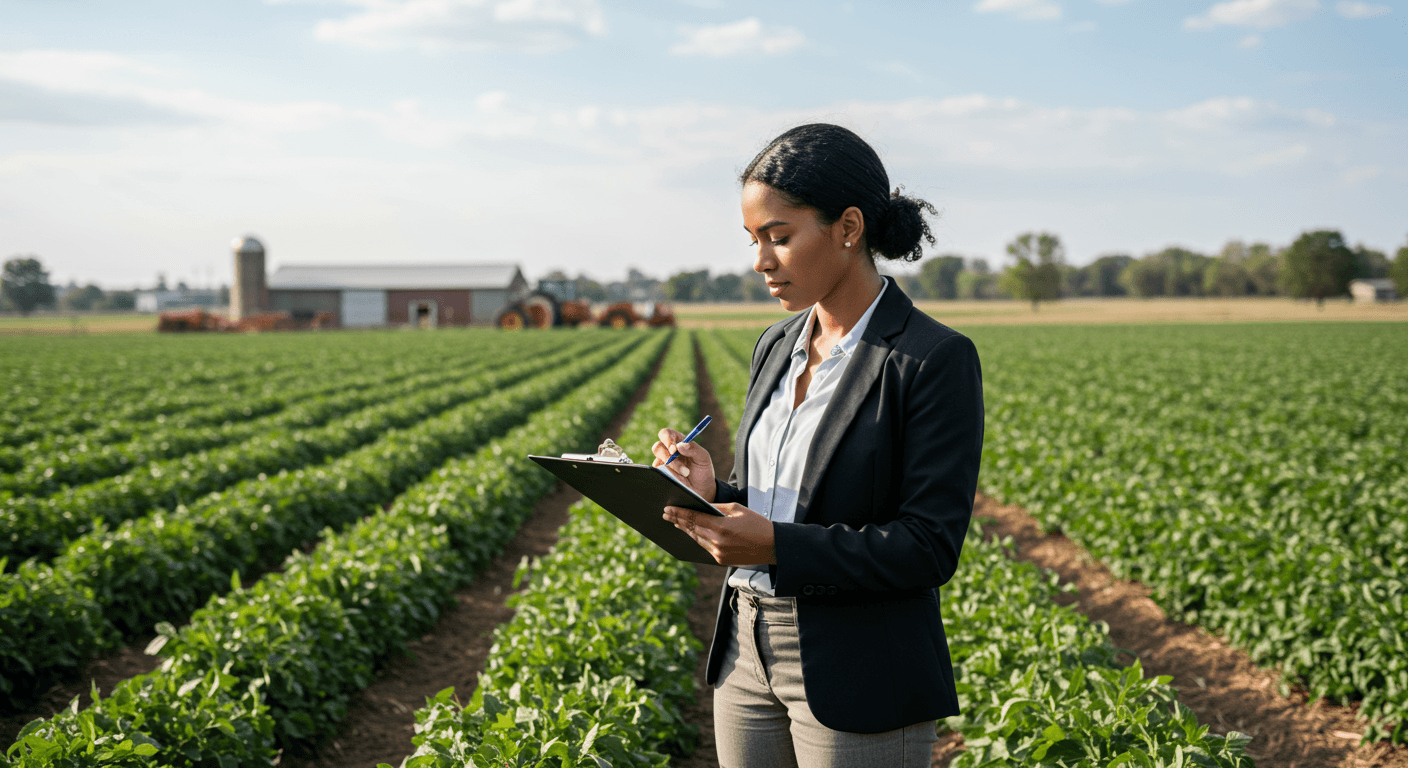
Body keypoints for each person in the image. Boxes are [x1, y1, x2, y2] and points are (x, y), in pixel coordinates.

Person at [651, 123, 984, 768]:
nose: (760, 262)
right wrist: (712, 493)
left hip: (858, 668)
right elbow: (791, 500)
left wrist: (773, 546)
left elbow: (928, 546)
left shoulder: (929, 359)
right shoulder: (775, 345)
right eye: (753, 240)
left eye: (778, 237)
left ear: (849, 228)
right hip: (745, 653)